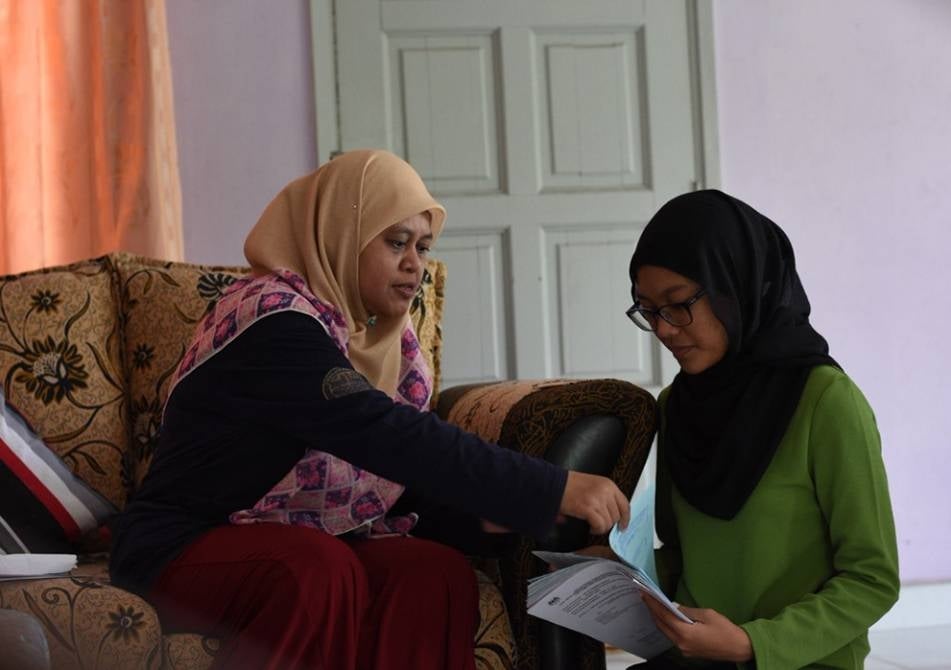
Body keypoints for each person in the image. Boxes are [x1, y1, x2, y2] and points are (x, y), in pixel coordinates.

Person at [109, 149, 630, 670]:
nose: (415, 265)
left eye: (423, 247)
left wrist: (483, 516)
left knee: (431, 572)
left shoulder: (380, 341)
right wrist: (550, 486)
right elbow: (383, 434)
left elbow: (387, 479)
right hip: (182, 546)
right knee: (313, 568)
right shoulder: (273, 321)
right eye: (396, 242)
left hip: (297, 538)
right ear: (341, 233)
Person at [623, 190, 899, 669]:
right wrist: (621, 573)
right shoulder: (675, 407)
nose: (664, 330)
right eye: (649, 311)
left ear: (737, 287)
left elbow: (873, 579)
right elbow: (683, 557)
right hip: (700, 661)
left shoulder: (826, 402)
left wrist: (751, 646)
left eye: (677, 304)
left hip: (799, 660)